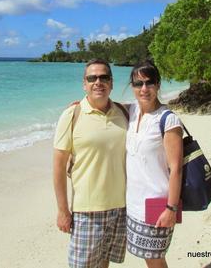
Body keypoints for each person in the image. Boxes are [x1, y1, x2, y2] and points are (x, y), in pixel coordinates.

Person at [53, 58, 129, 268]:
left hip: (120, 207)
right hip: (87, 210)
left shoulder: (123, 113)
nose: (98, 82)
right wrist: (62, 210)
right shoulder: (71, 115)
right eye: (92, 78)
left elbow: (149, 107)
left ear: (111, 83)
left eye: (104, 77)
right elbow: (58, 167)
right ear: (84, 84)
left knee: (104, 263)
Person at [125, 60, 184, 268]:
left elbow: (176, 168)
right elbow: (104, 106)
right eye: (138, 83)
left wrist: (171, 208)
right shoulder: (132, 112)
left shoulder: (168, 120)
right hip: (134, 204)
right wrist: (81, 104)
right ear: (131, 86)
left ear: (158, 84)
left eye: (149, 83)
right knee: (149, 258)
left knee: (155, 259)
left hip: (159, 204)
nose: (144, 89)